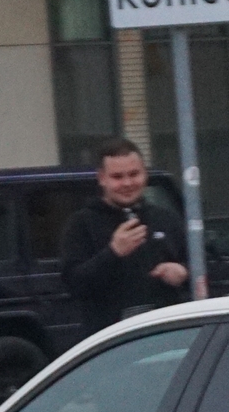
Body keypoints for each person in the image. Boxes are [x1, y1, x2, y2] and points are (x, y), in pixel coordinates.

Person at [59, 138, 193, 333]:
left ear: (145, 174)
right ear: (102, 178)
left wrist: (183, 271)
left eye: (134, 174)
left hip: (166, 336)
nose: (127, 183)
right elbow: (74, 284)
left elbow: (205, 267)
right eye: (117, 177)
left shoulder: (166, 219)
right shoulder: (81, 224)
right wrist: (113, 253)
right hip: (112, 341)